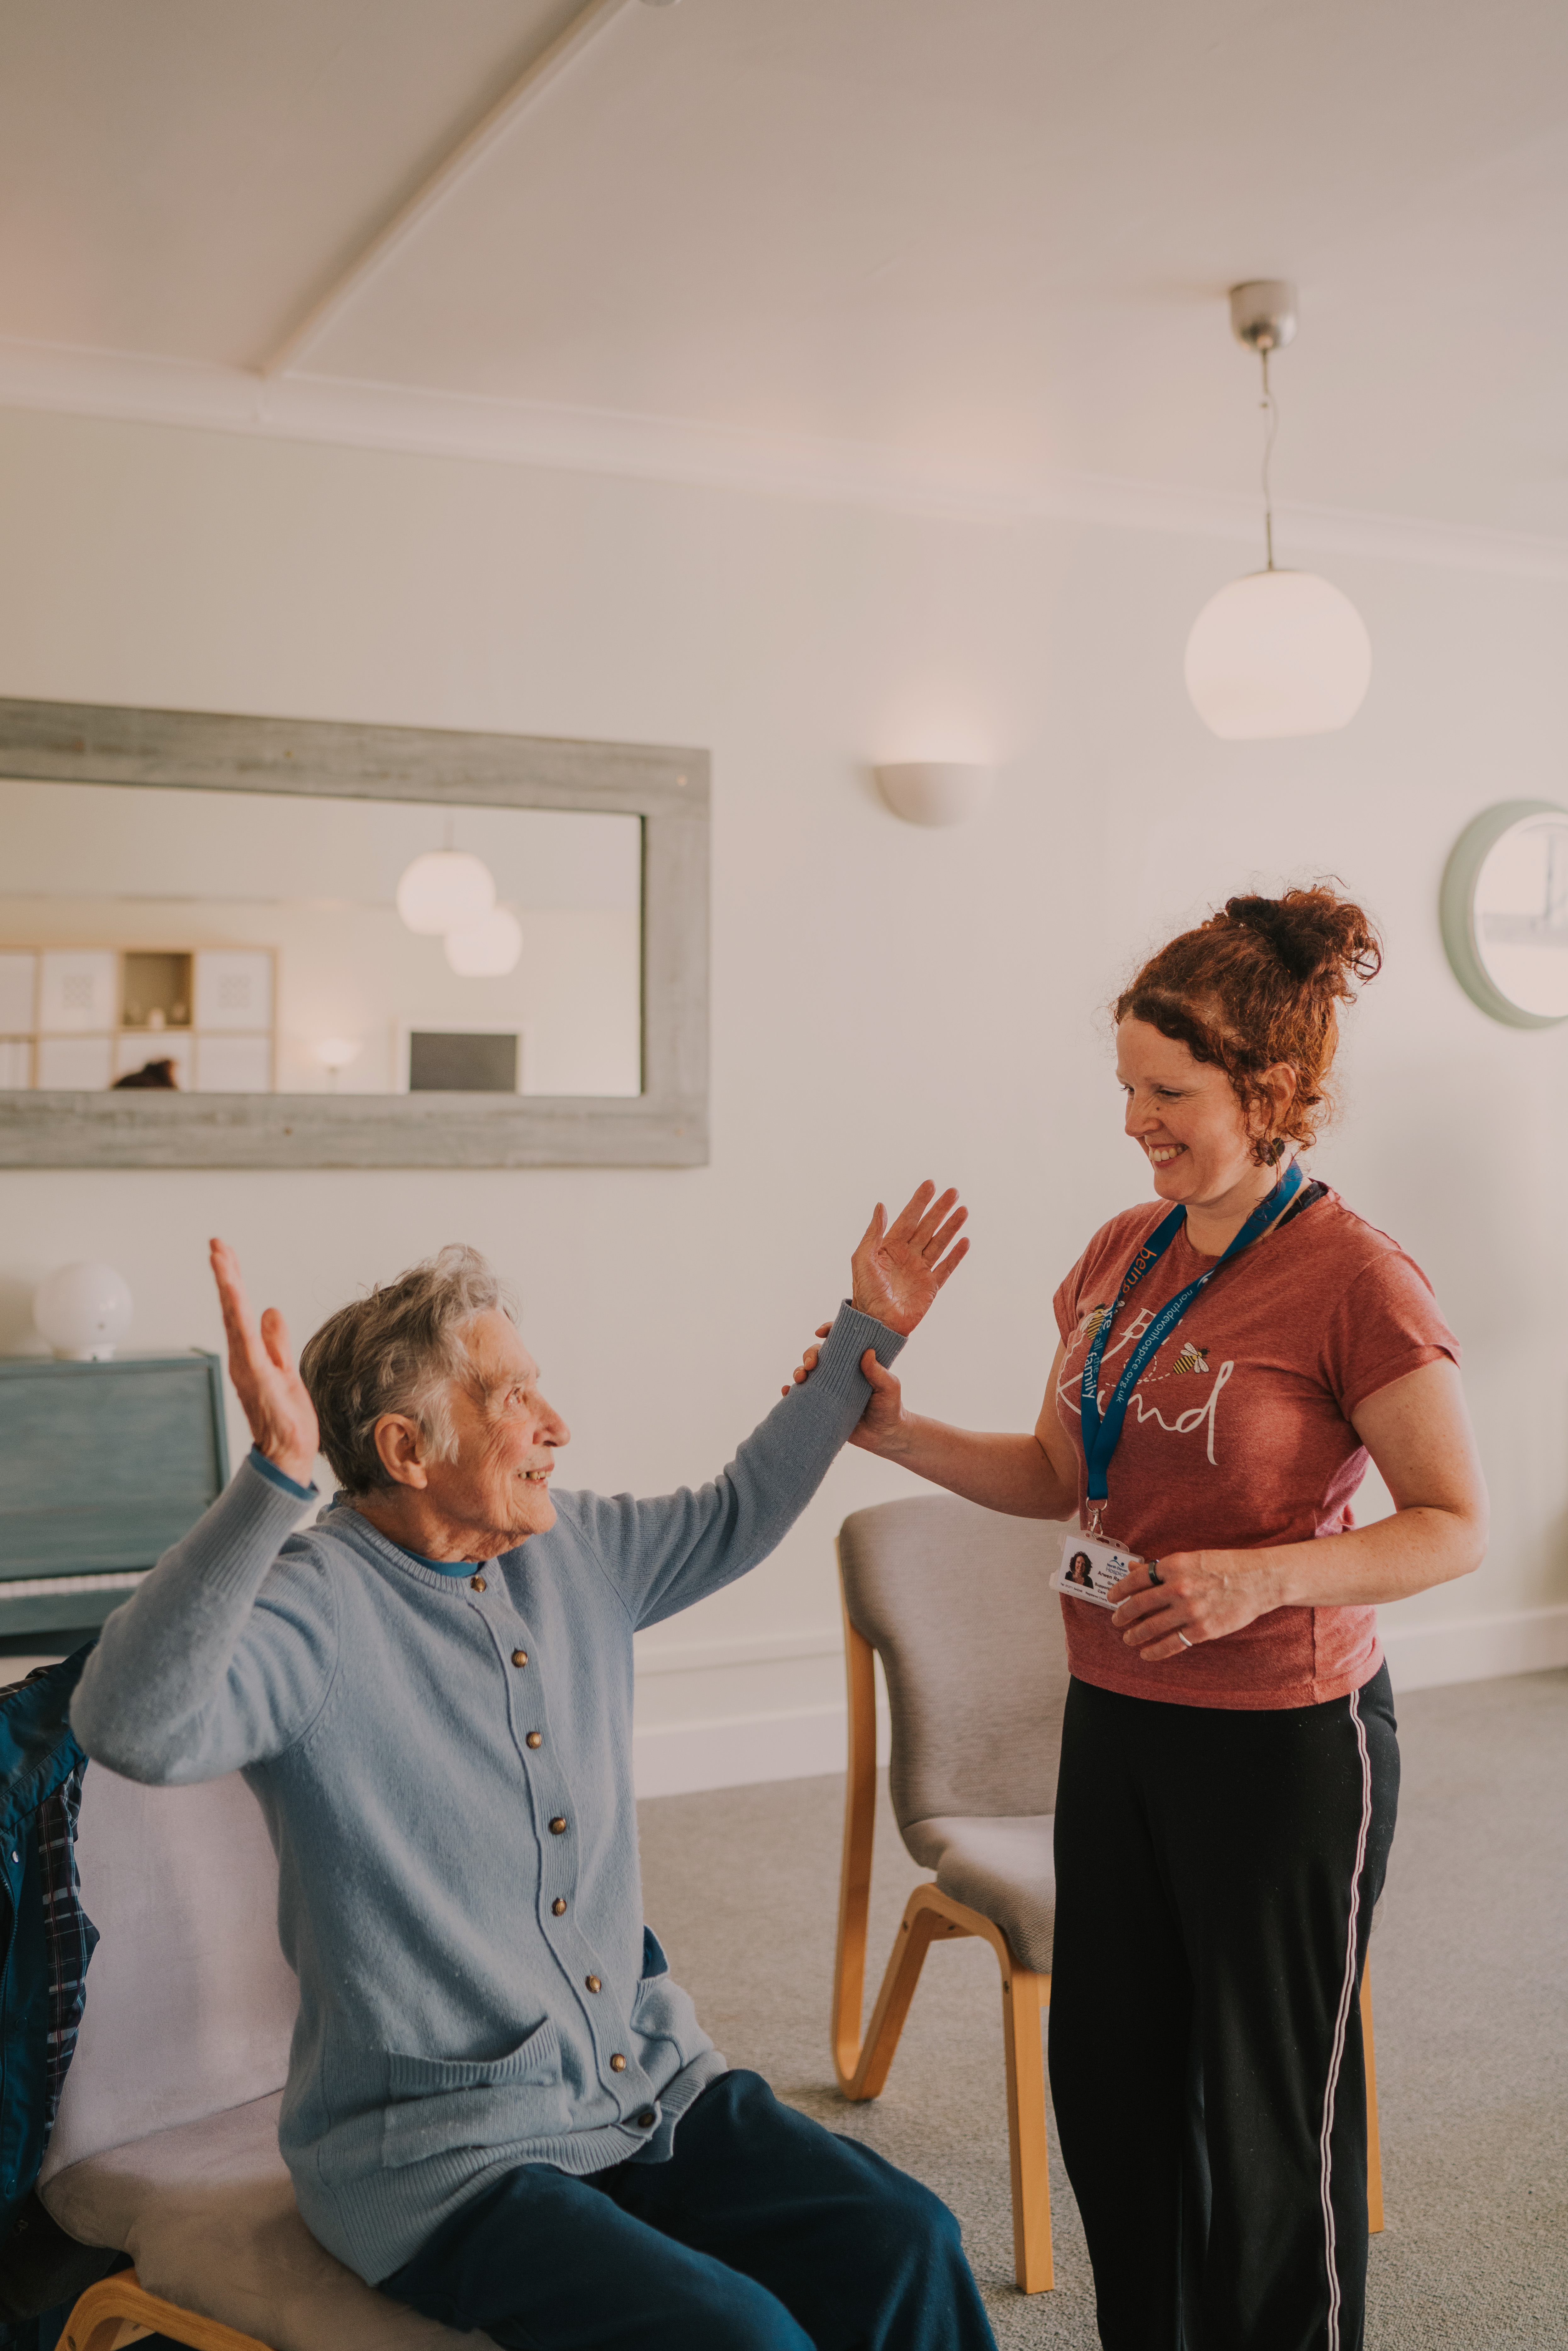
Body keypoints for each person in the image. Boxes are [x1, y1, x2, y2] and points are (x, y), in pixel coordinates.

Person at [70, 1187, 999, 2351]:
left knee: (908, 2241)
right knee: (741, 2338)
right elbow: (132, 1727)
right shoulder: (316, 1612)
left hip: (643, 2090)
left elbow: (739, 1512)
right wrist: (270, 1484)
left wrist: (865, 1335)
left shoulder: (577, 1555)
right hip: (440, 2162)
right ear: (407, 1449)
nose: (555, 1423)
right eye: (512, 1398)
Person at [789, 888, 1487, 2351]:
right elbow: (1058, 1472)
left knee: (1261, 2117)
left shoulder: (1356, 1277)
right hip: (1114, 1717)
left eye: (1167, 1092)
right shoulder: (1122, 1252)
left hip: (1284, 1738)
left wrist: (1263, 1574)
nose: (1135, 1121)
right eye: (1125, 1087)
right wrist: (897, 1432)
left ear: (1272, 1091)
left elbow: (1451, 1525)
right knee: (1111, 2086)